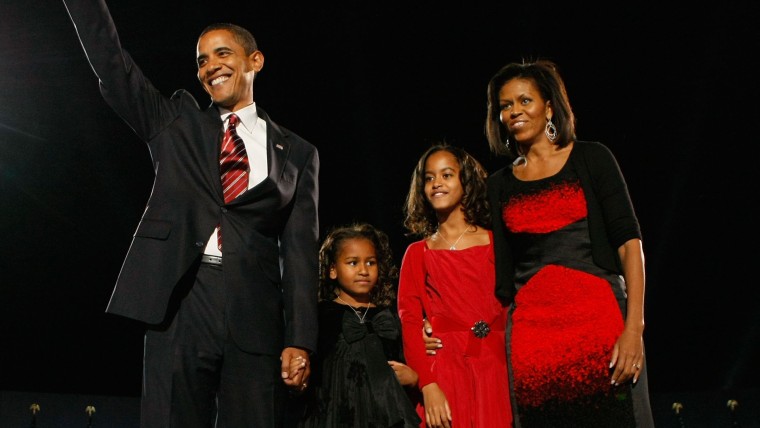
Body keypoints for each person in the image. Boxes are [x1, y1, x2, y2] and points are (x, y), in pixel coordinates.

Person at [61, 1, 320, 427]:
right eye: (201, 60)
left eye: (222, 54)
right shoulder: (175, 121)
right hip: (181, 299)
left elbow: (300, 255)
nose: (210, 67)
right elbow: (112, 65)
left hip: (254, 312)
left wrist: (301, 339)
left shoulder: (298, 153)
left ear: (254, 60)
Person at [484, 59, 654, 427]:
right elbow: (485, 262)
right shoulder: (498, 185)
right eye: (505, 105)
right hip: (534, 341)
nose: (514, 111)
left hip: (602, 327)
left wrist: (634, 328)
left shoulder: (592, 157)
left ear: (549, 106)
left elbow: (630, 245)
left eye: (524, 100)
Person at [398, 144, 513, 428]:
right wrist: (428, 384)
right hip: (447, 370)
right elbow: (410, 322)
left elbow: (515, 303)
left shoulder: (497, 242)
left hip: (498, 366)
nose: (436, 183)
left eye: (447, 175)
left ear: (466, 181)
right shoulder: (417, 253)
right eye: (429, 177)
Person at [293, 223, 421, 428]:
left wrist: (413, 379)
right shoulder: (321, 315)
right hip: (335, 413)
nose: (363, 270)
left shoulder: (388, 317)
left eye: (370, 262)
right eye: (353, 263)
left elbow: (404, 357)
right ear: (333, 270)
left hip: (385, 416)